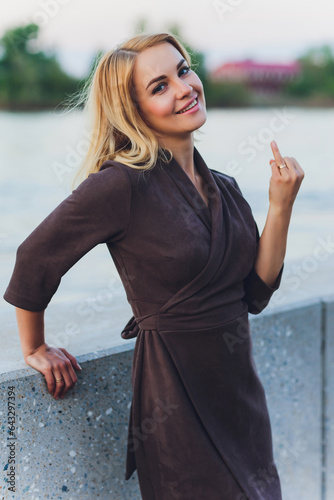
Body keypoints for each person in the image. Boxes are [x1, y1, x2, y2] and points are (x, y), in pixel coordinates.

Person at [3, 32, 304, 500]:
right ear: (133, 109)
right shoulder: (120, 185)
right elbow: (35, 256)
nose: (184, 88)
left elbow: (255, 293)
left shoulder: (223, 186)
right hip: (173, 398)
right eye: (159, 86)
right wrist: (34, 346)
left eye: (184, 70)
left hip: (239, 395)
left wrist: (280, 206)